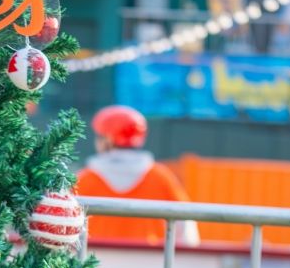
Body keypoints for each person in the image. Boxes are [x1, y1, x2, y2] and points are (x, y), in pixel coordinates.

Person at [75, 106, 199, 248]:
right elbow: (187, 230)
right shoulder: (160, 177)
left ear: (107, 139)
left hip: (93, 263)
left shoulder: (84, 179)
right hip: (150, 264)